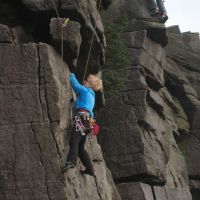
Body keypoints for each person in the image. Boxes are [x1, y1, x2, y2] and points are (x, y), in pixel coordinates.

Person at [61, 72, 103, 176]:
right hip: (89, 122)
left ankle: (71, 161)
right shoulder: (92, 97)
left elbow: (75, 86)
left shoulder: (86, 91)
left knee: (74, 140)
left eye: (87, 80)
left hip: (82, 119)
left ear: (90, 85)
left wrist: (71, 75)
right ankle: (90, 168)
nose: (84, 81)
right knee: (80, 147)